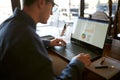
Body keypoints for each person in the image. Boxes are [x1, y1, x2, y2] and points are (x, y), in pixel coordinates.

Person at [0, 0, 91, 80]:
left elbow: (19, 44)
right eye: (52, 5)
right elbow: (26, 43)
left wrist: (47, 43)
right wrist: (77, 64)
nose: (51, 13)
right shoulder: (28, 39)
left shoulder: (9, 23)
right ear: (41, 2)